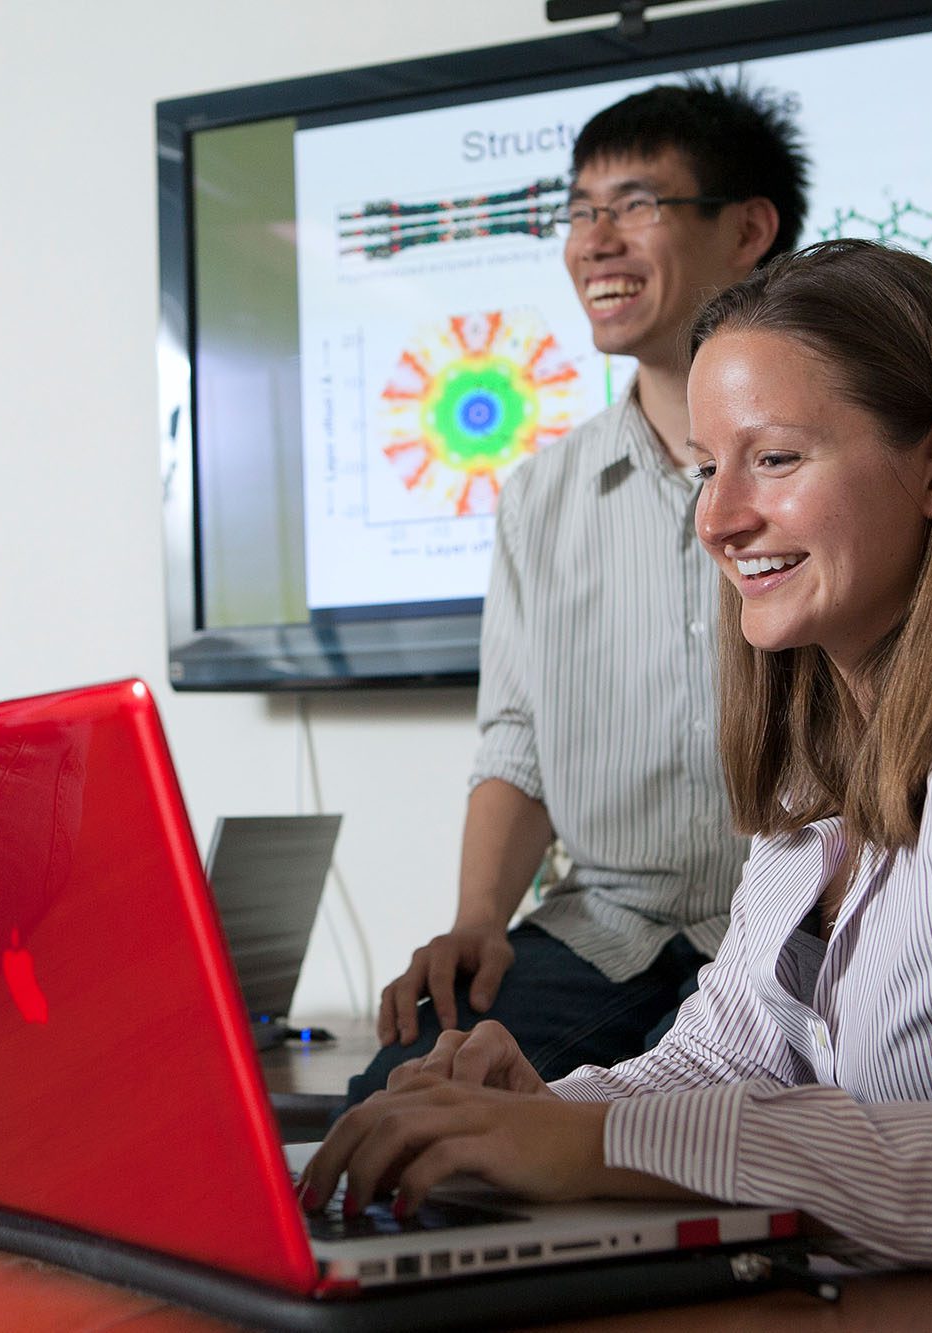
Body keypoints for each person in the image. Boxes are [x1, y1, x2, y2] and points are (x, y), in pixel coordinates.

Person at [301, 239, 932, 1274]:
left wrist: (594, 1142)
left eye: (773, 458)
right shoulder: (824, 758)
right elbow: (725, 1055)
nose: (716, 520)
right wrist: (532, 1113)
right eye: (706, 468)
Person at [347, 80, 808, 1105]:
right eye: (577, 211)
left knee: (735, 1137)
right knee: (403, 1108)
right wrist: (474, 921)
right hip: (600, 929)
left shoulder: (830, 468)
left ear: (746, 230)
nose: (593, 240)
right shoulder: (539, 497)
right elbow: (513, 736)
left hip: (800, 924)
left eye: (636, 204)